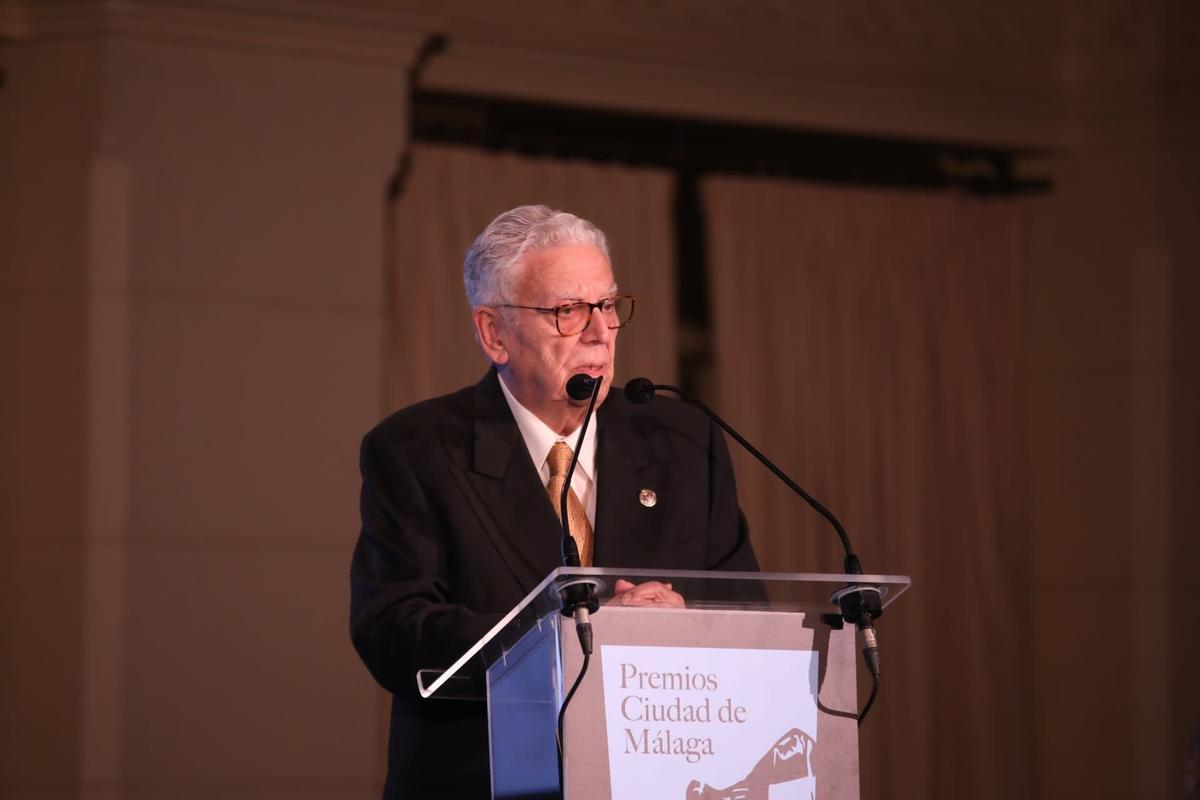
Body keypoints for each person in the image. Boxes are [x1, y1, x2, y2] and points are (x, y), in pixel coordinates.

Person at [350, 204, 758, 798]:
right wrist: (573, 638)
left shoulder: (683, 439)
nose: (600, 332)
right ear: (494, 334)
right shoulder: (417, 450)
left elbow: (747, 615)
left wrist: (680, 620)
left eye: (607, 305)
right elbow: (394, 632)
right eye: (568, 311)